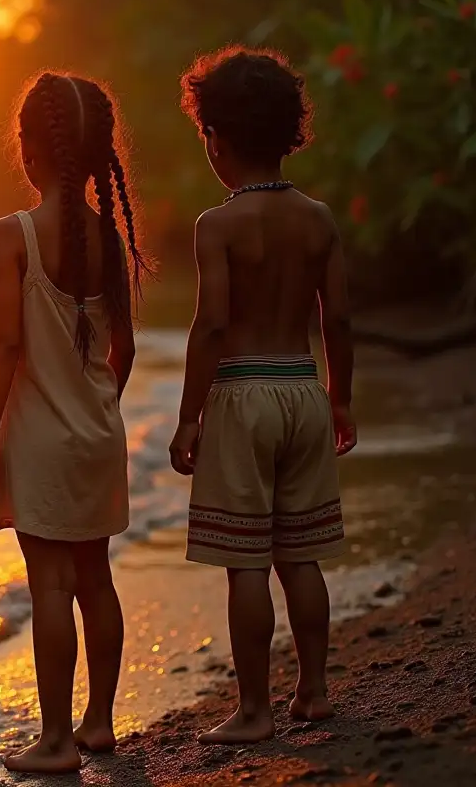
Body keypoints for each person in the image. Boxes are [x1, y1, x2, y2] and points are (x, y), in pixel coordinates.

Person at [169, 46, 357, 745]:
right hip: (304, 391)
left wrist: (189, 417)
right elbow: (335, 317)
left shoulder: (216, 226)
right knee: (299, 553)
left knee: (246, 561)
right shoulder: (318, 219)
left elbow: (212, 324)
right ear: (288, 133)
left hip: (243, 395)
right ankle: (313, 690)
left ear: (215, 140)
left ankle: (253, 710)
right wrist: (342, 398)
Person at [0, 71, 149, 774]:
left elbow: (6, 345)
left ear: (30, 150)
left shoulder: (12, 236)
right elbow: (121, 349)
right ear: (98, 154)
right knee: (95, 579)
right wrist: (98, 404)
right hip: (99, 435)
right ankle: (98, 723)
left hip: (39, 440)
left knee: (50, 588)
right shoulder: (110, 240)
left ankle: (54, 741)